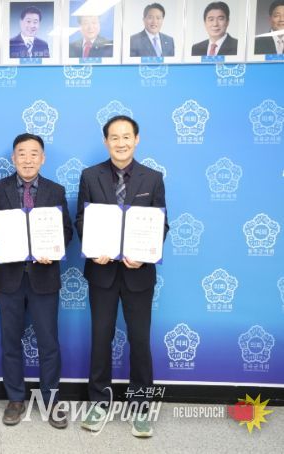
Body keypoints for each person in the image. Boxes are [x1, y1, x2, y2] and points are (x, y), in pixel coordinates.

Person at [76, 115, 168, 438]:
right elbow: (82, 220)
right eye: (114, 137)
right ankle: (99, 402)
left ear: (137, 139)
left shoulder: (153, 178)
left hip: (138, 275)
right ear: (106, 142)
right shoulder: (90, 176)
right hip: (101, 272)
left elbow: (161, 224)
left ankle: (141, 406)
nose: (121, 143)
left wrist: (144, 254)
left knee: (139, 340)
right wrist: (92, 249)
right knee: (101, 337)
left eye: (126, 136)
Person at [0, 134, 72, 428]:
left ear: (43, 158)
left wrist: (54, 250)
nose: (27, 159)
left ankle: (50, 399)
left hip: (44, 278)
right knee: (10, 342)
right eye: (21, 154)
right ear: (13, 158)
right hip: (9, 278)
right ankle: (15, 399)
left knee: (49, 342)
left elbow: (66, 231)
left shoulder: (55, 190)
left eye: (34, 154)